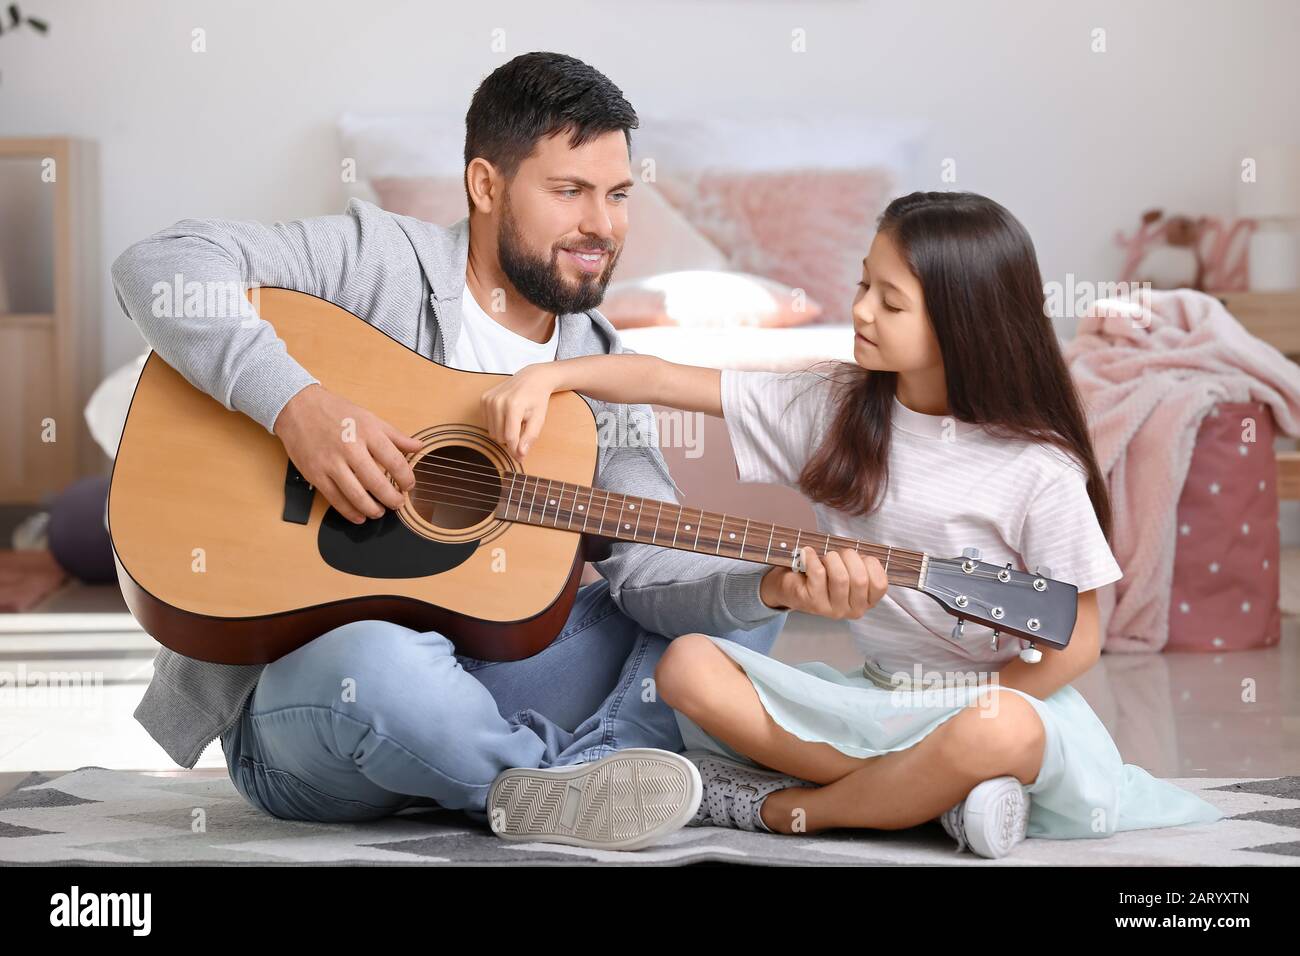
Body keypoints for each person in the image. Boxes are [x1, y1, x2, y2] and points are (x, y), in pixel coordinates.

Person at [112, 52, 889, 852]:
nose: (605, 226)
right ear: (485, 186)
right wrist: (299, 407)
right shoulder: (378, 261)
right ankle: (551, 780)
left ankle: (521, 782)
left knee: (729, 632)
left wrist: (772, 584)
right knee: (381, 659)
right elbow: (160, 266)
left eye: (618, 195)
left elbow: (655, 578)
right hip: (318, 705)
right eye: (569, 192)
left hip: (502, 676)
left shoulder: (596, 370)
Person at [480, 190, 1226, 858]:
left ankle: (788, 809)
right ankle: (932, 798)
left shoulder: (1037, 469)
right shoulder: (835, 409)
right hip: (872, 698)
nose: (861, 310)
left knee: (1002, 731)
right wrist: (550, 375)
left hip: (987, 705)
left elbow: (1080, 635)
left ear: (966, 322)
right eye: (864, 284)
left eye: (890, 302)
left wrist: (977, 710)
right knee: (688, 668)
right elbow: (663, 379)